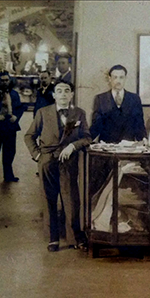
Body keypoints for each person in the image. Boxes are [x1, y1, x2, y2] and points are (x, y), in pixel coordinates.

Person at [25, 80, 92, 252]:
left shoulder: (79, 113)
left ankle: (74, 237)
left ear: (72, 95)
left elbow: (87, 137)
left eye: (67, 91)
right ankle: (52, 238)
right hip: (47, 160)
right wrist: (38, 155)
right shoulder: (43, 112)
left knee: (71, 199)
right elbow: (29, 136)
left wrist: (73, 146)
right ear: (54, 95)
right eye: (59, 91)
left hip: (69, 162)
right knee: (49, 199)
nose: (63, 94)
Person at [90, 64, 146, 143]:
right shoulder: (100, 99)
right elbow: (96, 125)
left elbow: (139, 124)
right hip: (106, 146)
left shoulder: (134, 99)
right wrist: (87, 140)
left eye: (121, 77)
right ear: (110, 79)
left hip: (128, 146)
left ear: (125, 78)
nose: (118, 81)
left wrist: (143, 140)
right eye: (115, 77)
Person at [0, 71, 25, 183]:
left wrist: (16, 116)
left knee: (10, 152)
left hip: (10, 126)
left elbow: (20, 108)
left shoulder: (14, 94)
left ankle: (8, 175)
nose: (4, 82)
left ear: (9, 81)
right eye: (2, 80)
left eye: (6, 80)